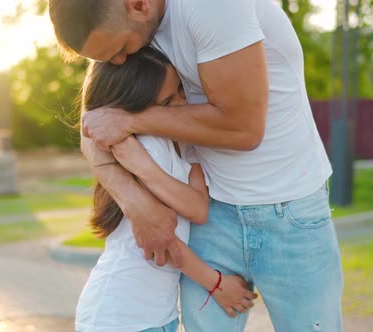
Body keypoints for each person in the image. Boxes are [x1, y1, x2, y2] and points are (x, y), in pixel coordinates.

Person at [49, 0, 344, 330]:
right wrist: (137, 205)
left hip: (289, 211)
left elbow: (245, 129)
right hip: (208, 215)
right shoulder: (122, 27)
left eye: (119, 49)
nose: (120, 62)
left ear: (138, 5)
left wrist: (130, 119)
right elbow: (96, 124)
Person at [74, 46, 257, 332]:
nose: (183, 104)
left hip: (157, 317)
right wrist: (217, 284)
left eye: (181, 92)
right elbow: (164, 241)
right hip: (120, 317)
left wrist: (146, 169)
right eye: (169, 100)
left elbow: (198, 209)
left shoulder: (179, 146)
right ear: (136, 105)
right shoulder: (148, 144)